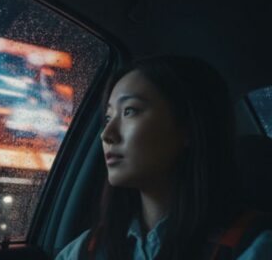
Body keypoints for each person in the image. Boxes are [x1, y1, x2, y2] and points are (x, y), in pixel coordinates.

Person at [55, 56, 272, 259]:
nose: (106, 134)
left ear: (189, 127)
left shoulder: (251, 246)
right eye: (109, 116)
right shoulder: (87, 249)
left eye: (130, 111)